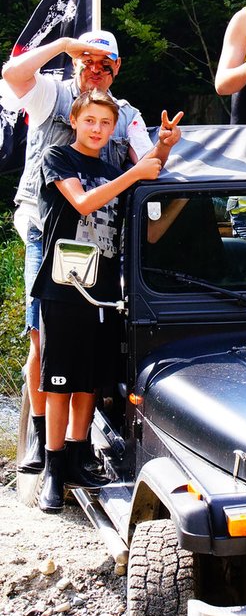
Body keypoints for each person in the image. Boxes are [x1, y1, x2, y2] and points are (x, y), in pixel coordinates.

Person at [1, 29, 182, 474]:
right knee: (42, 338)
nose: (96, 71)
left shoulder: (127, 115)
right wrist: (64, 44)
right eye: (88, 61)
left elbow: (149, 167)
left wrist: (163, 146)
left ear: (117, 68)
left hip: (98, 239)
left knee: (90, 346)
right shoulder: (52, 94)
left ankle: (77, 446)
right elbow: (12, 74)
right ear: (76, 63)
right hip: (47, 231)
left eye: (106, 64)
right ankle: (42, 438)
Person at [31, 89, 182, 512]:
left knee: (90, 380)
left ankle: (78, 456)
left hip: (104, 292)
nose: (97, 129)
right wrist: (134, 175)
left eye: (105, 123)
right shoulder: (58, 158)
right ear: (74, 121)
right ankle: (53, 467)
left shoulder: (114, 169)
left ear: (114, 128)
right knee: (59, 380)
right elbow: (83, 202)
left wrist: (164, 148)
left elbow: (148, 212)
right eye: (90, 120)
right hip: (63, 285)